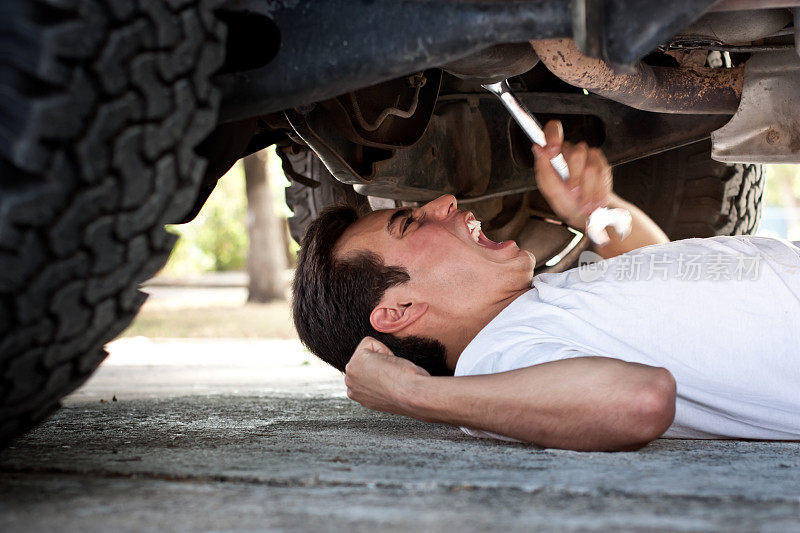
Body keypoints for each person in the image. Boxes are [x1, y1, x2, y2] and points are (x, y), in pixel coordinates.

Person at [292, 121, 800, 451]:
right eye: (409, 223)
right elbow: (640, 400)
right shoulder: (496, 359)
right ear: (398, 310)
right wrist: (413, 394)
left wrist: (593, 212)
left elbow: (662, 275)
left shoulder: (535, 309)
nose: (444, 201)